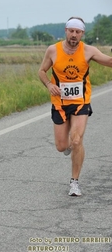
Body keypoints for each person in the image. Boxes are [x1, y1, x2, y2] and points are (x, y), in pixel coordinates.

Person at [38, 16, 112, 196]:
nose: (74, 35)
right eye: (71, 31)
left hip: (80, 102)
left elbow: (109, 62)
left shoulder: (88, 51)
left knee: (77, 139)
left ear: (82, 34)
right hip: (60, 103)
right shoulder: (53, 50)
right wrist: (49, 85)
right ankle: (70, 146)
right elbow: (41, 71)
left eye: (78, 32)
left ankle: (74, 182)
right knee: (62, 146)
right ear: (66, 31)